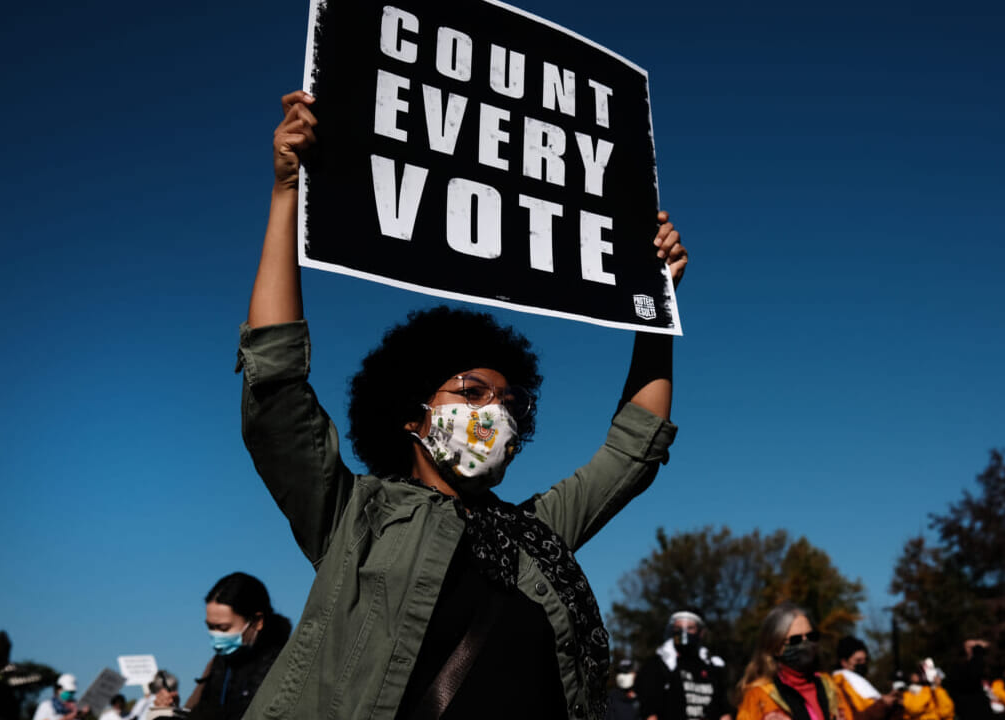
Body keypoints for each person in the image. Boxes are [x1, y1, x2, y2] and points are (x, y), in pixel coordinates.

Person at [235, 90, 686, 720]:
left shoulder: (539, 535)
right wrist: (287, 192)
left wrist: (655, 306)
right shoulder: (354, 516)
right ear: (413, 414)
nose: (493, 414)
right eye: (471, 393)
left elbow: (634, 446)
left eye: (508, 402)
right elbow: (277, 386)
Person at [188, 574, 289, 720]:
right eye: (210, 627)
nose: (216, 635)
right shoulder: (220, 663)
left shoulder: (282, 665)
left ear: (257, 621)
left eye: (223, 628)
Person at [734, 603, 842, 720]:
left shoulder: (829, 686)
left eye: (811, 636)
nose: (805, 644)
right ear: (775, 647)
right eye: (795, 640)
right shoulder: (760, 696)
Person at [637, 611, 731, 720]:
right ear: (672, 631)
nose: (683, 633)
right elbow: (649, 712)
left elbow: (724, 712)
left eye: (690, 628)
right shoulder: (658, 665)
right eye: (678, 628)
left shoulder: (712, 666)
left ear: (700, 633)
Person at [833, 636, 898, 720]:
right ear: (844, 662)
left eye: (865, 660)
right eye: (858, 661)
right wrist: (884, 703)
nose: (863, 664)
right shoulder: (841, 682)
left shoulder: (856, 680)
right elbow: (858, 714)